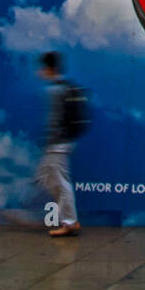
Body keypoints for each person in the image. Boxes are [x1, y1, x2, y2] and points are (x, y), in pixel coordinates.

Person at [36, 52, 80, 238]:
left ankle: (70, 222)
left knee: (60, 183)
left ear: (50, 69)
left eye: (43, 68)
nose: (40, 72)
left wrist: (52, 140)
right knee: (46, 177)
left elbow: (55, 119)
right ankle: (69, 220)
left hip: (57, 144)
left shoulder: (55, 90)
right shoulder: (61, 88)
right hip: (61, 143)